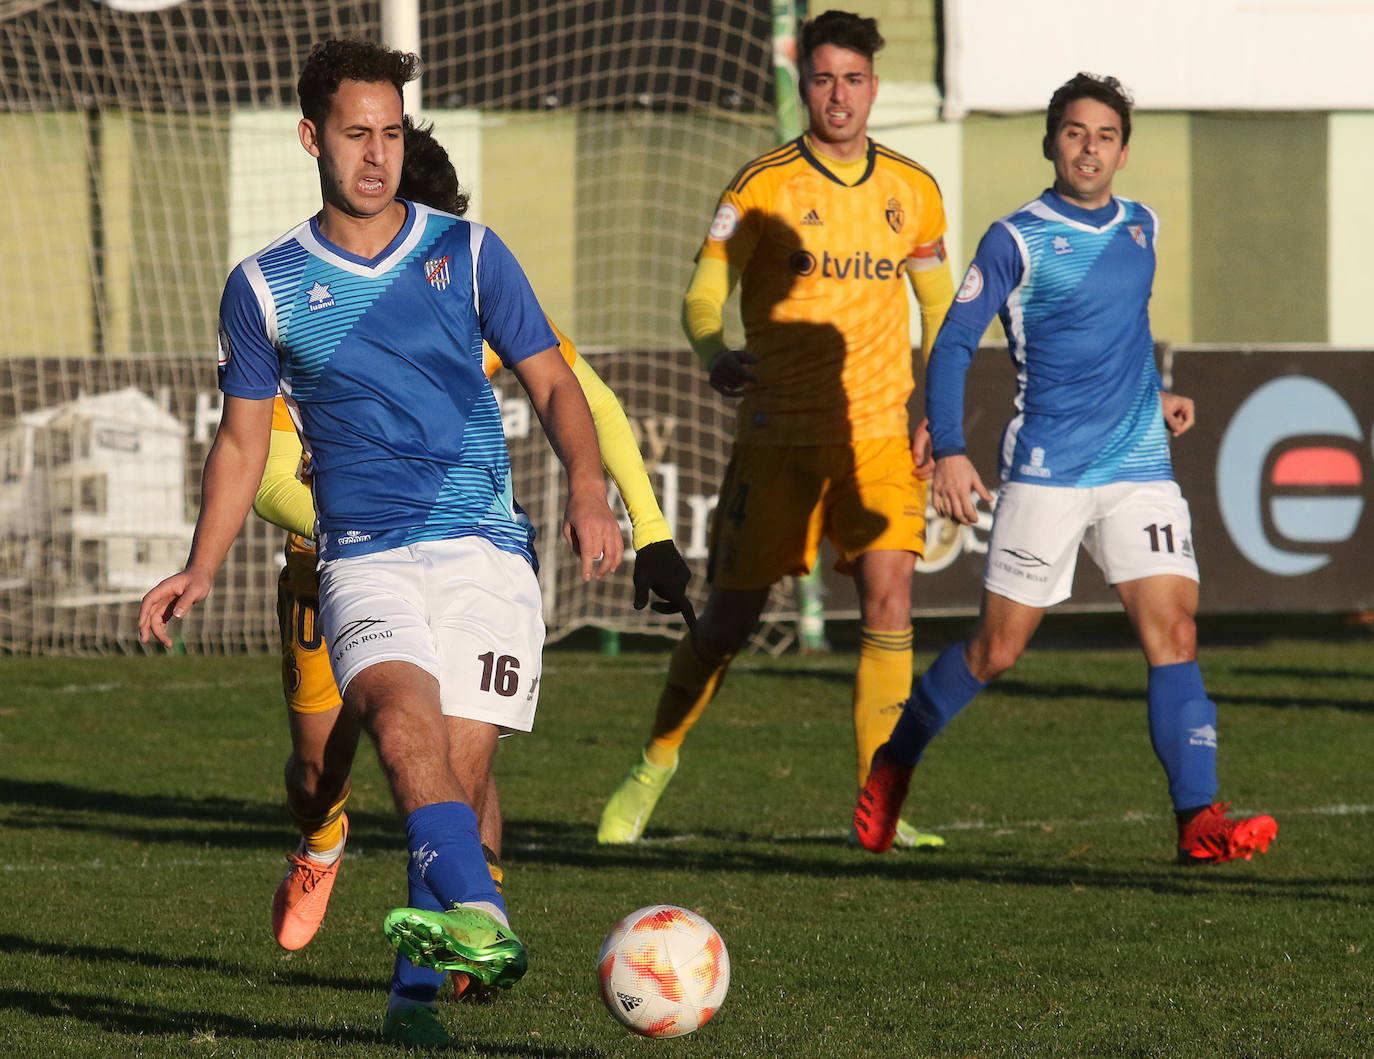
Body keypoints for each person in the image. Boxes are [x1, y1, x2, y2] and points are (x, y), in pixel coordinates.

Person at [139, 40, 625, 1048]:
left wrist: (589, 487)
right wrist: (200, 563)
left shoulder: (470, 252)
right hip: (362, 553)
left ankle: (415, 1005)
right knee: (405, 741)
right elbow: (240, 446)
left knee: (458, 772)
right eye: (356, 134)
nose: (376, 155)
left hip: (488, 550)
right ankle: (479, 922)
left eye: (392, 134)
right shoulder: (265, 284)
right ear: (312, 137)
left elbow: (554, 381)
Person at [260, 117, 695, 994]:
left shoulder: (462, 280)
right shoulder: (305, 301)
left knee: (461, 756)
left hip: (458, 557)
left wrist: (647, 526)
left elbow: (591, 403)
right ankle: (321, 839)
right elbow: (266, 473)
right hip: (341, 564)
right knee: (319, 771)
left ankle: (459, 932)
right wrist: (379, 506)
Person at [852, 73, 1278, 865]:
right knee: (997, 650)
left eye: (1106, 135)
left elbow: (1121, 332)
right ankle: (897, 756)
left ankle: (1199, 818)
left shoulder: (1142, 227)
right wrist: (948, 446)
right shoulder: (1015, 239)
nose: (1090, 147)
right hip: (1049, 471)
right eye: (1075, 132)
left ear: (1123, 150)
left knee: (1175, 631)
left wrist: (1158, 392)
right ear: (1051, 142)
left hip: (1139, 463)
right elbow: (951, 342)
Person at [597, 10, 955, 848]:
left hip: (874, 433)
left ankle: (880, 804)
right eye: (824, 78)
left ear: (874, 86)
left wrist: (938, 406)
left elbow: (941, 306)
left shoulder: (914, 189)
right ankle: (654, 763)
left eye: (854, 79)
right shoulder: (760, 186)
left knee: (890, 600)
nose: (840, 95)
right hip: (775, 436)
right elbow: (701, 293)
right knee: (727, 623)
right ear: (802, 83)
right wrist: (713, 348)